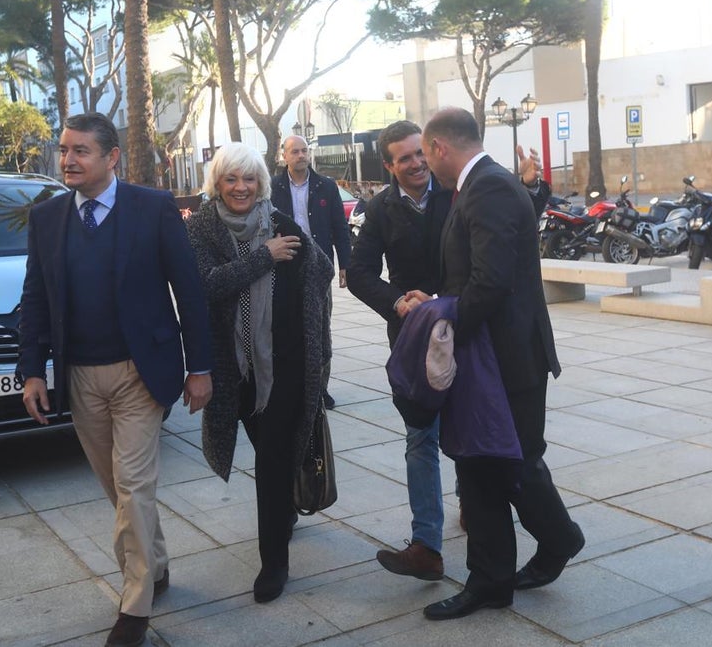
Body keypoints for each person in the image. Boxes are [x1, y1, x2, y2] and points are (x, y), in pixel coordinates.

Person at [17, 113, 213, 647]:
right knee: (118, 489)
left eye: (80, 151)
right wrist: (32, 370)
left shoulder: (152, 208)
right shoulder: (48, 217)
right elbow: (35, 297)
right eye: (64, 150)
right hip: (79, 376)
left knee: (133, 485)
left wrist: (200, 367)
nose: (67, 160)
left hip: (140, 373)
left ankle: (135, 605)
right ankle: (157, 564)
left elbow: (188, 290)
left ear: (112, 157)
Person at [347, 120, 551, 582]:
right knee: (421, 438)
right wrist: (398, 304)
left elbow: (507, 225)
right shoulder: (378, 210)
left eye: (420, 153)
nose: (417, 163)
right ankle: (426, 545)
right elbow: (358, 273)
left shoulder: (456, 189)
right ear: (389, 166)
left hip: (470, 333)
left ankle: (474, 509)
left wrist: (530, 185)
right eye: (404, 158)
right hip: (417, 340)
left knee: (472, 429)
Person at [410, 107, 583, 621]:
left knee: (508, 464)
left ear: (439, 147)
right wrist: (438, 300)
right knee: (486, 467)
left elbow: (490, 282)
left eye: (425, 153)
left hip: (506, 359)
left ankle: (552, 542)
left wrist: (442, 322)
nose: (425, 163)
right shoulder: (485, 183)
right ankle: (495, 579)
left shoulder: (487, 187)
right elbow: (475, 276)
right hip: (495, 355)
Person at [186, 141, 333, 603]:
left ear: (261, 183)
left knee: (270, 458)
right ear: (217, 183)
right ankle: (283, 509)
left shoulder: (282, 225)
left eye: (249, 178)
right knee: (267, 451)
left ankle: (274, 562)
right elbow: (207, 286)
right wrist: (263, 257)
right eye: (231, 178)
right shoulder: (201, 229)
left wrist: (316, 339)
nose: (241, 187)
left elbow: (321, 270)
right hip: (235, 369)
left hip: (284, 367)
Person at [270, 134, 351, 410]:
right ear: (284, 156)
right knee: (287, 328)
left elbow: (340, 227)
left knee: (321, 329)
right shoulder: (273, 187)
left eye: (304, 150)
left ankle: (320, 389)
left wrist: (345, 264)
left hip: (319, 266)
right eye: (295, 151)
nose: (301, 155)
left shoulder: (326, 186)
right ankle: (291, 386)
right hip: (284, 265)